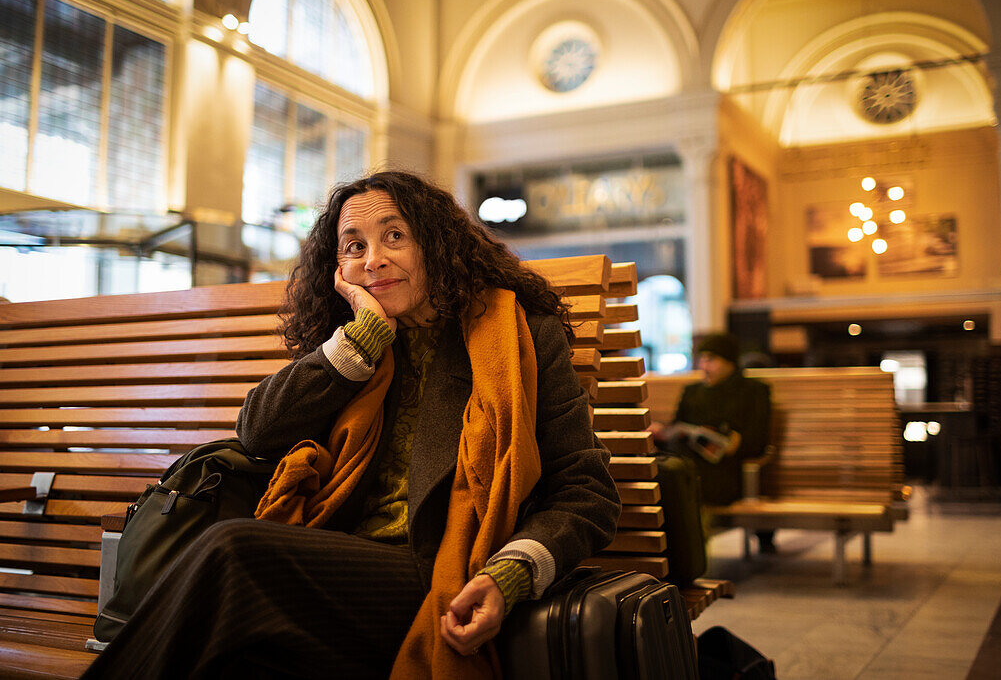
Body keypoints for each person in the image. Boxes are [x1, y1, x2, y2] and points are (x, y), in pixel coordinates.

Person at [84, 171, 621, 679]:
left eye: (394, 236)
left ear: (436, 244)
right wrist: (360, 341)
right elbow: (258, 431)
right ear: (337, 268)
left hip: (442, 570)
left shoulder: (519, 336)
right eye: (354, 246)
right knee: (235, 655)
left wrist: (510, 575)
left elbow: (586, 492)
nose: (374, 260)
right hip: (331, 562)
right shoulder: (352, 345)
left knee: (234, 553)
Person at [651, 333, 774, 551]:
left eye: (711, 359)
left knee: (684, 483)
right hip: (687, 463)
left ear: (730, 362)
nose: (704, 365)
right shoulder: (692, 392)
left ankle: (689, 558)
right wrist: (663, 431)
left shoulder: (754, 391)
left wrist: (727, 441)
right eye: (702, 358)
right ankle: (667, 555)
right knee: (667, 474)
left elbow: (757, 441)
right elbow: (678, 427)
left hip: (727, 473)